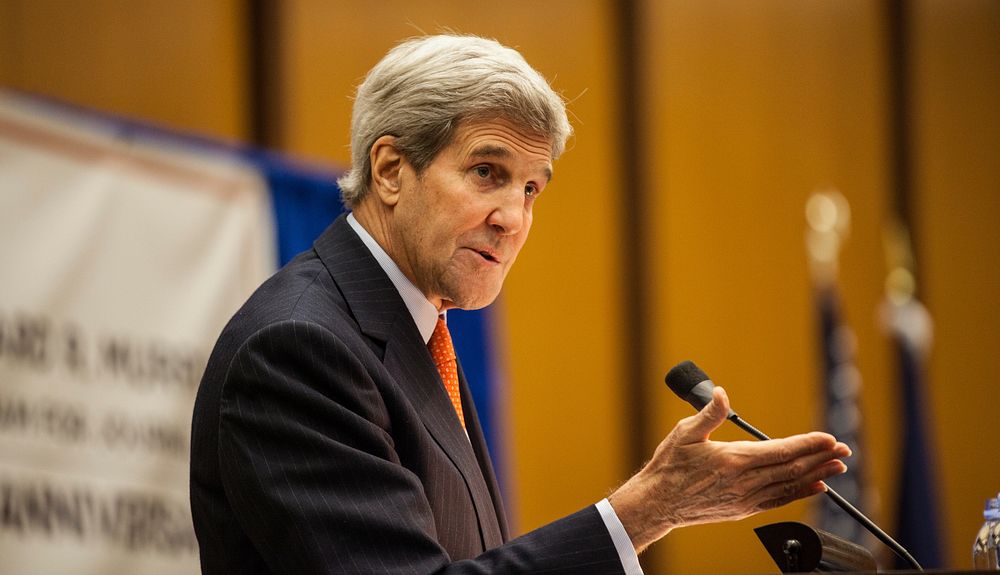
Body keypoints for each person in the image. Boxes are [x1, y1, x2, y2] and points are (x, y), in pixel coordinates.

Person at [189, 34, 850, 574]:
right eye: (487, 172)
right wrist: (642, 513)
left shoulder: (413, 332)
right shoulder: (300, 347)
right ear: (390, 170)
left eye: (532, 188)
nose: (513, 217)